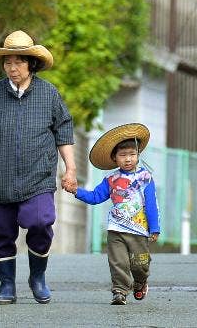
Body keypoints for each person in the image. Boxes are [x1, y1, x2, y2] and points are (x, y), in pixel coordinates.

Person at [0, 30, 77, 305]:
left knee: (40, 221)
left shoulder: (48, 94)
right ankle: (7, 285)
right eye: (7, 62)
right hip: (1, 177)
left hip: (38, 177)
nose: (12, 68)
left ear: (31, 64)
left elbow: (63, 131)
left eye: (19, 62)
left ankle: (38, 277)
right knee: (2, 231)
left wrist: (70, 169)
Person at [69, 123, 160, 305]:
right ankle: (119, 291)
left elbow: (151, 204)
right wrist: (76, 191)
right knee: (118, 262)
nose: (128, 159)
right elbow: (95, 197)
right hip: (116, 229)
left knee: (140, 265)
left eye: (132, 154)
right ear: (114, 158)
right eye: (123, 155)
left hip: (139, 230)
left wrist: (155, 228)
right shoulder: (111, 179)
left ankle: (140, 282)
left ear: (138, 155)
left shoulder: (146, 178)